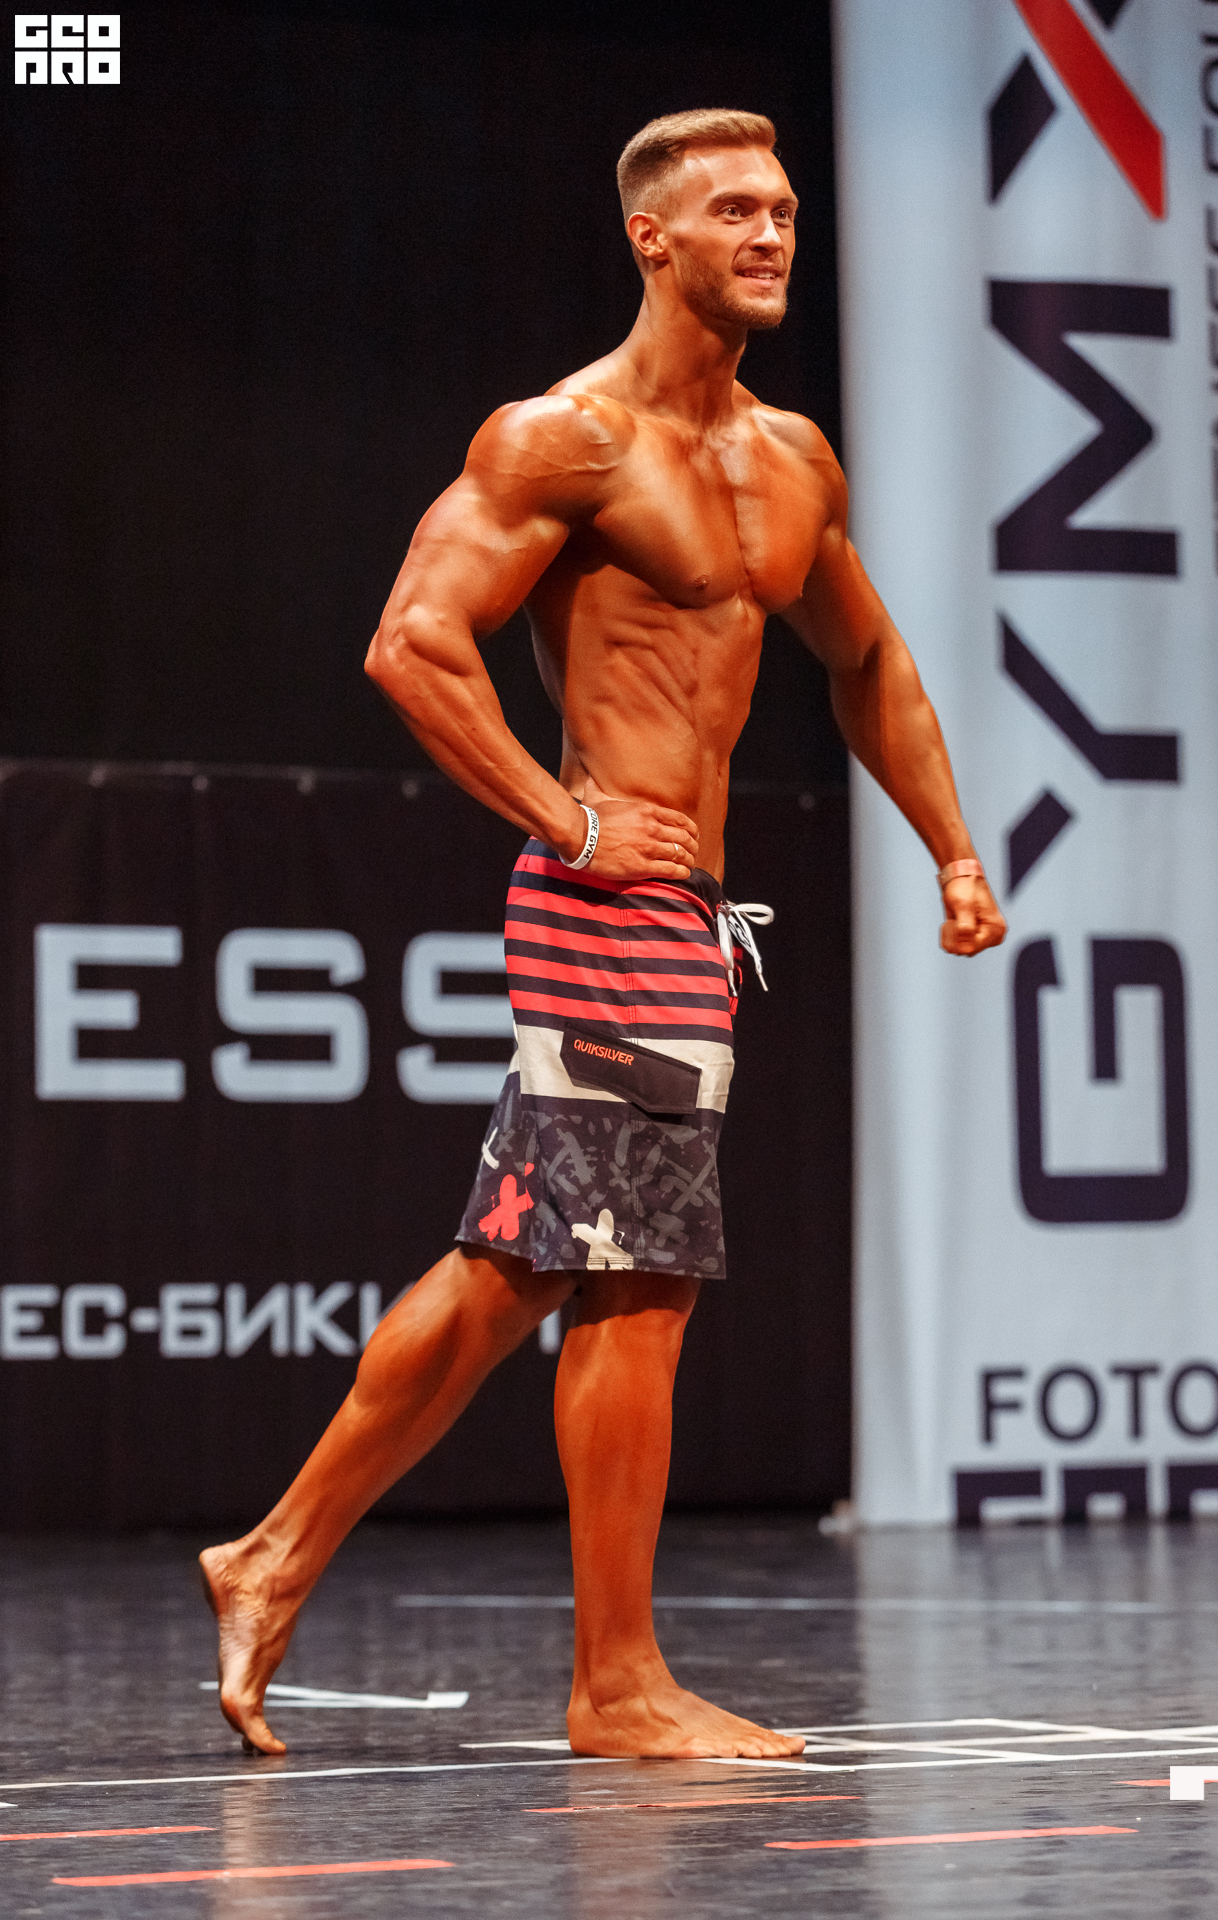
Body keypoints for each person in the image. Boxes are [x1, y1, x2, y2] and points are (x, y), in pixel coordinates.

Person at [199, 107, 1006, 1763]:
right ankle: (616, 1685)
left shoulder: (792, 461)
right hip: (608, 911)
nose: (771, 235)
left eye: (784, 211)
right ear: (653, 237)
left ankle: (270, 1556)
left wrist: (952, 847)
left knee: (518, 1271)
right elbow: (413, 644)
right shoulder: (562, 440)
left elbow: (865, 660)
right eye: (735, 211)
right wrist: (566, 821)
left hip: (688, 915)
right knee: (638, 1286)